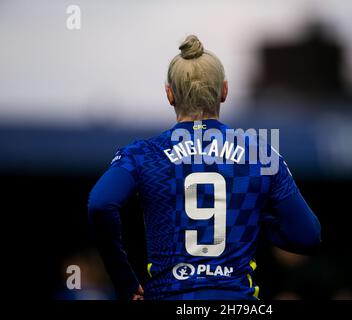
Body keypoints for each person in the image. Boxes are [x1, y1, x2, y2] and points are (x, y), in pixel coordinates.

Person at [88, 35, 321, 300]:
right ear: (224, 91)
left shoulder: (143, 154)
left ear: (170, 94)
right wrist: (252, 218)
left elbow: (100, 204)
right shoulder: (260, 152)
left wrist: (125, 282)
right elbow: (307, 235)